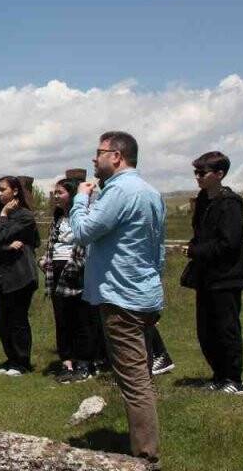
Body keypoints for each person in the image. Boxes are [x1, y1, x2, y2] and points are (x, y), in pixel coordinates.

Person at [68, 131, 165, 464]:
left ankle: (145, 456)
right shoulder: (151, 192)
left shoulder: (120, 191)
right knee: (143, 375)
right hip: (145, 292)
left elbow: (82, 232)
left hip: (121, 298)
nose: (94, 159)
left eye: (99, 153)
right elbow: (158, 247)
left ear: (117, 156)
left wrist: (80, 199)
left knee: (134, 380)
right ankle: (146, 442)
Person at [181, 151, 243, 395]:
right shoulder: (203, 199)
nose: (198, 177)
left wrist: (195, 250)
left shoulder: (230, 203)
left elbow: (229, 243)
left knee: (226, 328)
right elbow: (201, 233)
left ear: (219, 174)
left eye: (202, 173)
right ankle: (219, 375)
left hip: (227, 276)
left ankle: (234, 379)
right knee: (206, 330)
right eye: (196, 172)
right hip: (206, 275)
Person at [43, 178, 96, 383]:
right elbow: (52, 243)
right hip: (56, 269)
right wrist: (46, 259)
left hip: (76, 268)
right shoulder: (57, 218)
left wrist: (73, 265)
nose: (56, 196)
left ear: (72, 194)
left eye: (60, 192)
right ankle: (67, 361)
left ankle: (84, 361)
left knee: (81, 317)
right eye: (55, 192)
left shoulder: (83, 215)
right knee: (62, 318)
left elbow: (85, 242)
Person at [0, 176, 40, 376]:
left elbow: (0, 236)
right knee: (0, 318)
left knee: (17, 319)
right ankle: (11, 358)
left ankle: (22, 362)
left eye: (3, 190)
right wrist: (7, 247)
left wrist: (5, 216)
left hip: (20, 275)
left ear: (15, 191)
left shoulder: (25, 215)